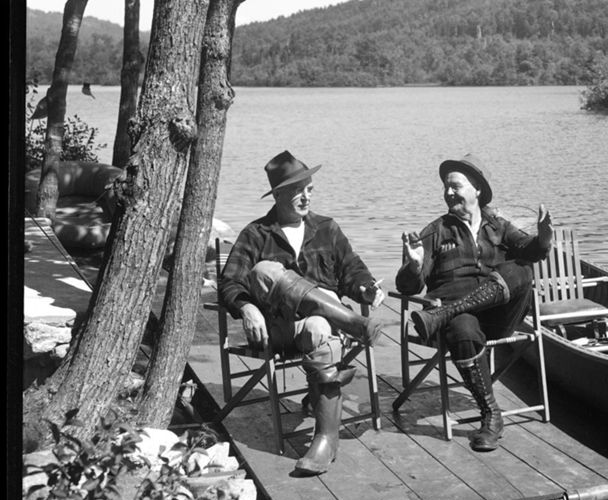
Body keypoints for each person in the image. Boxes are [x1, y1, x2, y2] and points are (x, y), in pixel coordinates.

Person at [219, 151, 385, 476]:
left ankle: (325, 439)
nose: (306, 196)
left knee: (320, 326)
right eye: (298, 190)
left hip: (318, 331)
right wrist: (247, 306)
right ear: (279, 194)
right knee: (266, 269)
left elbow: (353, 271)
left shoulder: (326, 228)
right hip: (282, 328)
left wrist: (367, 289)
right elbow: (229, 282)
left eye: (309, 188)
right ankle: (350, 322)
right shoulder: (256, 234)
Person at [396, 154, 552, 453]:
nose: (448, 192)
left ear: (477, 189)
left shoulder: (498, 226)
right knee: (462, 327)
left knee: (521, 268)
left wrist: (544, 235)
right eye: (446, 187)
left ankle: (446, 312)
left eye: (455, 185)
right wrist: (413, 266)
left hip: (497, 316)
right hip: (460, 327)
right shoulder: (435, 231)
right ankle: (491, 415)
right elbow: (408, 287)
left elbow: (531, 251)